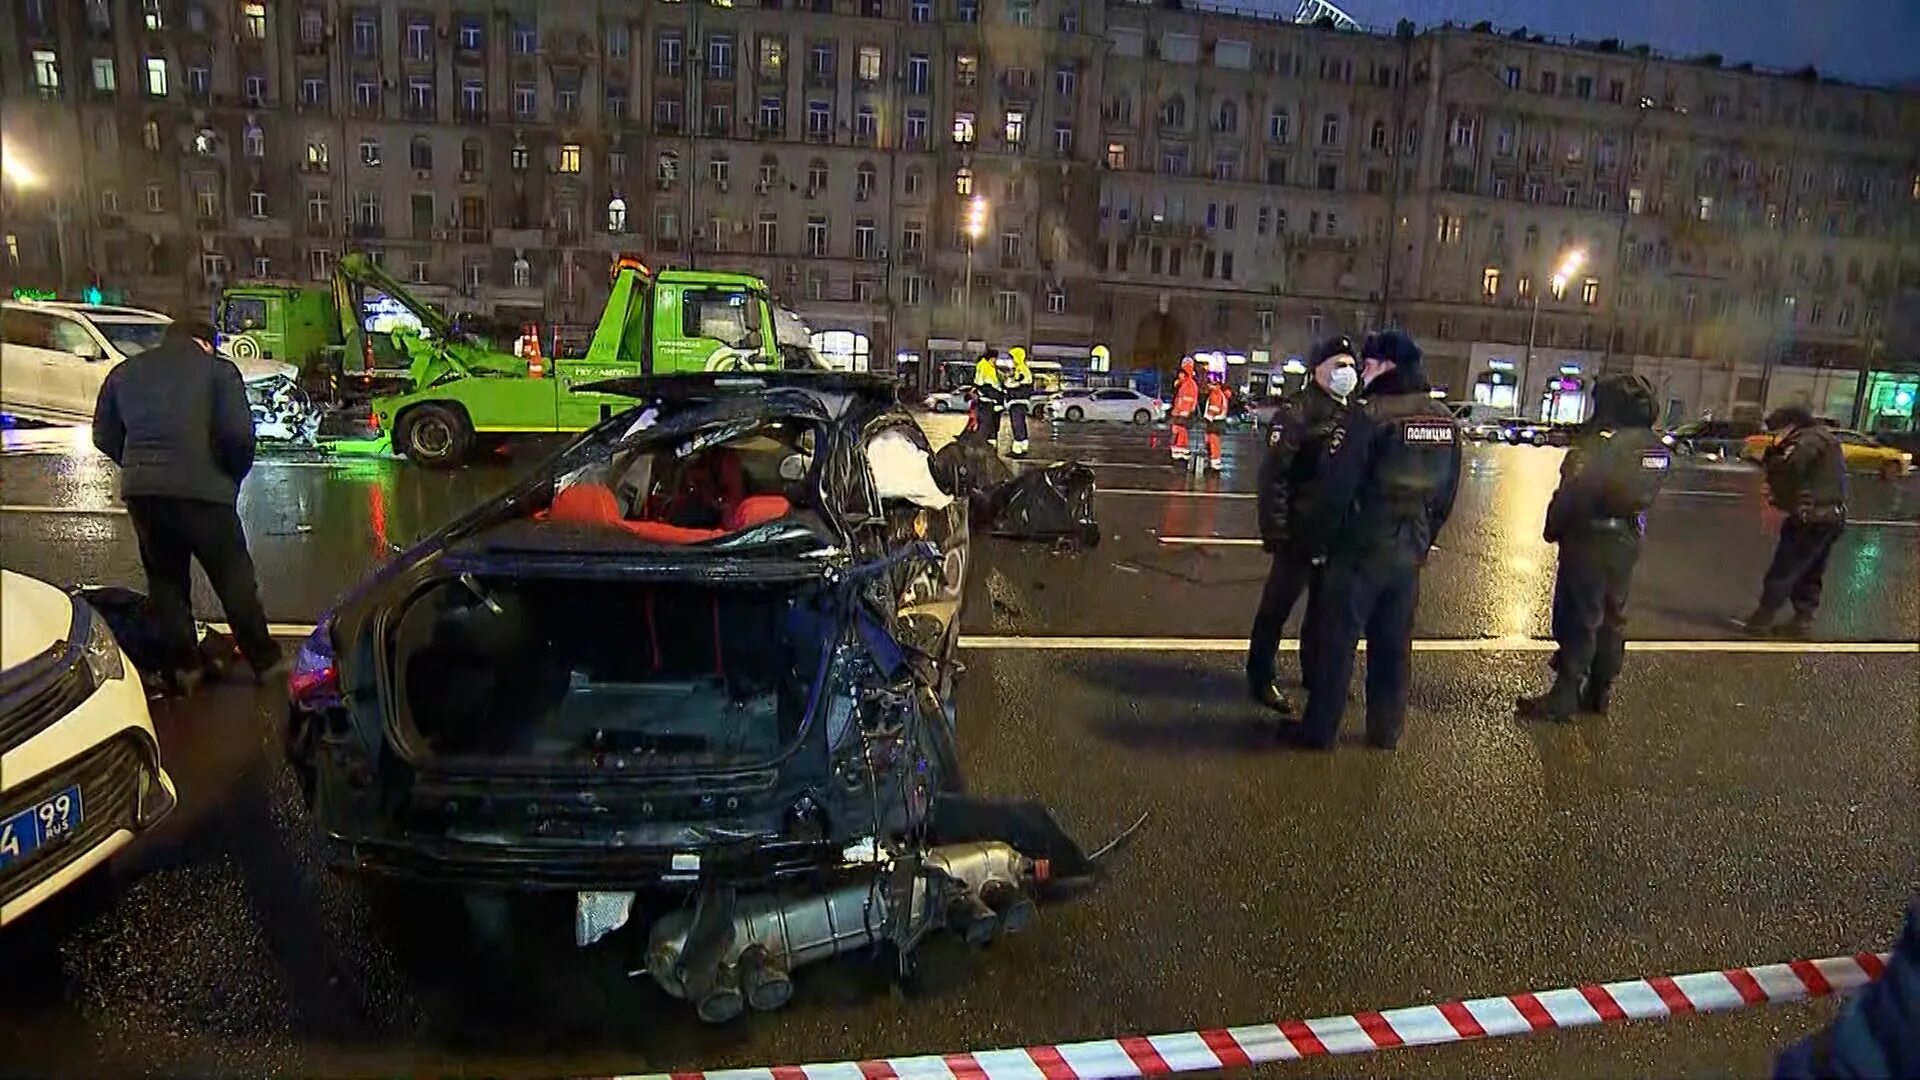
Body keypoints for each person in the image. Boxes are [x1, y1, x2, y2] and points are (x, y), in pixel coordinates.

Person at [1290, 330, 1461, 750]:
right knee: (1393, 646)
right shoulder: (1445, 420)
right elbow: (1445, 495)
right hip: (1408, 555)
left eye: (1367, 365)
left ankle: (1319, 732)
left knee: (1338, 643)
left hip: (1359, 551)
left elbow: (1337, 490)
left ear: (1387, 365)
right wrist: (1422, 539)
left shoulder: (1370, 417)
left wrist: (1319, 542)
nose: (1361, 372)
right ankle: (1385, 731)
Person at [92, 319, 282, 690]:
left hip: (145, 496)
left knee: (166, 583)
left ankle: (184, 669)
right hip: (206, 493)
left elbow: (104, 434)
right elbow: (238, 435)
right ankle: (265, 662)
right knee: (233, 578)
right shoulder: (219, 372)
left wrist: (140, 468)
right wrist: (230, 475)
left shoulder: (125, 372)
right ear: (205, 343)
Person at [1515, 373, 1670, 722]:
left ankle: (1565, 695)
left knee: (1578, 616)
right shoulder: (1654, 446)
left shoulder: (1603, 443)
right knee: (1612, 617)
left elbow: (1576, 490)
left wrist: (1553, 525)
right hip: (1627, 540)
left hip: (1590, 538)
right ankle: (1599, 690)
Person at [1247, 336, 1360, 716]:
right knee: (1276, 609)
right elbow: (1274, 477)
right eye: (1337, 366)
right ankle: (1260, 677)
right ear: (1317, 370)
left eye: (1350, 365)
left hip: (1336, 533)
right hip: (1298, 531)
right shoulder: (1297, 412)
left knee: (1324, 612)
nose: (1346, 373)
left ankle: (1316, 674)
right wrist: (1276, 530)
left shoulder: (1353, 414)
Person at [1739, 405, 1848, 637]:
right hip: (1832, 515)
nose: (1775, 436)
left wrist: (1772, 458)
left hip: (1810, 516)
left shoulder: (1806, 440)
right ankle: (1802, 619)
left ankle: (1762, 618)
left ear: (1789, 424)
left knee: (1786, 565)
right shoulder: (1826, 438)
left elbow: (1791, 468)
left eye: (1776, 431)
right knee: (1811, 569)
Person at [1004, 346, 1035, 456]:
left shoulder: (1021, 370)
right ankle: (1023, 447)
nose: (1012, 360)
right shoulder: (1022, 369)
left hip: (1017, 401)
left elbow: (1015, 385)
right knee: (1021, 424)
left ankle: (1018, 450)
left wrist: (1009, 383)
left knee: (1017, 425)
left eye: (1013, 357)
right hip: (1020, 402)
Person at [970, 352, 1005, 448]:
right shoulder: (986, 368)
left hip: (990, 402)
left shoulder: (990, 369)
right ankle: (987, 443)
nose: (995, 362)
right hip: (988, 402)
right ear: (990, 359)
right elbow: (988, 385)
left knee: (989, 423)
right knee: (987, 423)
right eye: (994, 359)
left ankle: (987, 442)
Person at [1168, 357, 1199, 462]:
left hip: (1182, 411)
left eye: (1180, 374)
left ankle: (1179, 450)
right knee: (1181, 430)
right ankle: (1181, 450)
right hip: (1184, 411)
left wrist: (1177, 410)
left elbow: (1183, 399)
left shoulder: (1187, 384)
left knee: (1178, 430)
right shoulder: (1188, 384)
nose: (1179, 376)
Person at [1201, 375, 1230, 471]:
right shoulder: (1220, 394)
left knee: (1212, 442)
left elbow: (1214, 409)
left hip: (1214, 422)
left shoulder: (1215, 394)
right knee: (1214, 442)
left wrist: (1208, 417)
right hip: (1218, 421)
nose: (1209, 386)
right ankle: (1214, 461)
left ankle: (1214, 463)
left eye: (1211, 384)